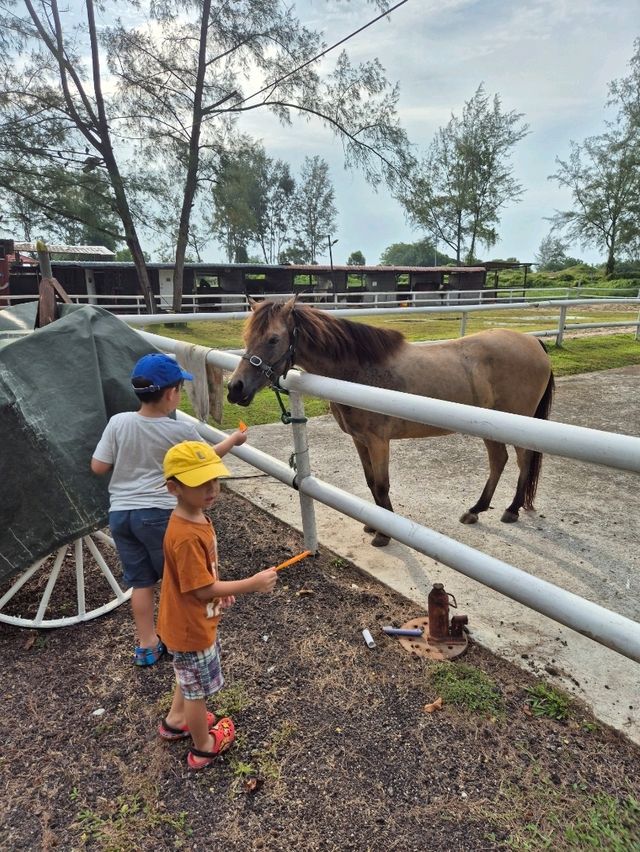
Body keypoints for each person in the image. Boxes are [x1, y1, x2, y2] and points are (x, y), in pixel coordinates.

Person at [91, 352, 247, 667]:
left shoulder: (118, 423)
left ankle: (147, 645)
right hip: (159, 514)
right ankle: (183, 638)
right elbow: (208, 457)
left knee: (141, 582)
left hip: (121, 515)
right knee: (180, 581)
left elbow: (98, 466)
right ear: (172, 394)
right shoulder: (179, 432)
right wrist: (234, 440)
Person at [156, 440, 278, 770]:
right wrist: (250, 584)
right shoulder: (185, 534)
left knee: (190, 678)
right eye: (200, 483)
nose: (211, 488)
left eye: (215, 480)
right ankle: (203, 747)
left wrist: (216, 589)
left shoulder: (194, 516)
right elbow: (199, 589)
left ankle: (176, 719)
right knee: (197, 690)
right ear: (174, 488)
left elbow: (200, 579)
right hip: (190, 626)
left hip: (189, 620)